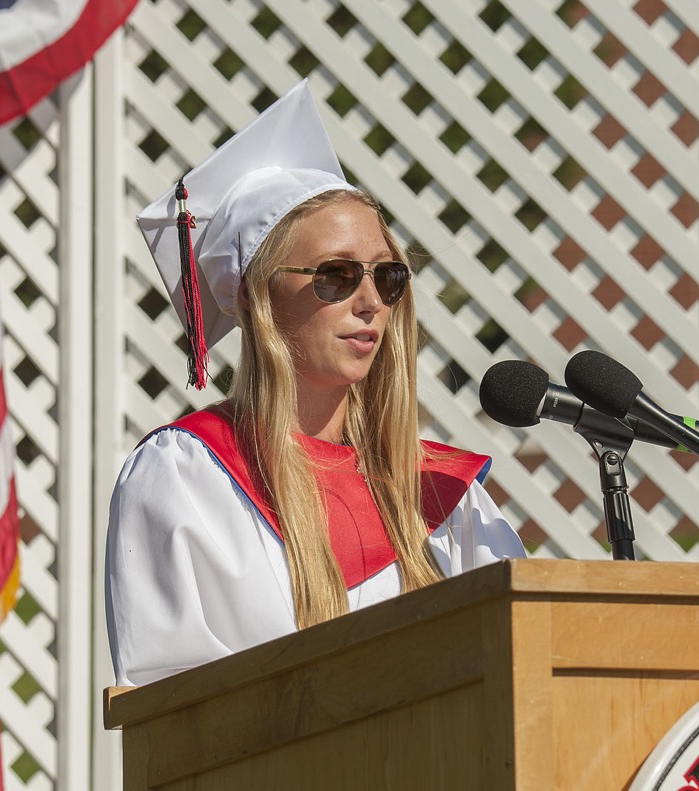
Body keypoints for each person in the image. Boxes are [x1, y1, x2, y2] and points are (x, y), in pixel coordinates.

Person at [106, 82, 524, 688]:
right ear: (254, 300)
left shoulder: (438, 494)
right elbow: (172, 714)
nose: (370, 301)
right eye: (336, 275)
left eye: (388, 276)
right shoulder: (189, 480)